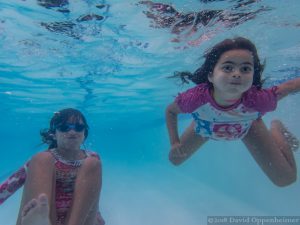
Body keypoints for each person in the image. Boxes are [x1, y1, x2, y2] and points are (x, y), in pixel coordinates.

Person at [165, 37, 300, 187]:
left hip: (248, 127)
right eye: (228, 68)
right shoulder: (195, 98)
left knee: (286, 179)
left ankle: (277, 128)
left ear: (252, 75)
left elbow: (291, 85)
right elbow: (171, 111)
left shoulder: (258, 99)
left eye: (245, 69)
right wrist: (174, 142)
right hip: (205, 125)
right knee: (175, 159)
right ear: (211, 75)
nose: (237, 74)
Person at [0, 108, 104, 225]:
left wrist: (97, 214)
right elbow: (8, 187)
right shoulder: (43, 161)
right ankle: (39, 220)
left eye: (78, 127)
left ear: (84, 133)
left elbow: (91, 194)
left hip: (77, 221)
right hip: (48, 217)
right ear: (54, 134)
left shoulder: (93, 158)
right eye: (64, 127)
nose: (72, 132)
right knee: (42, 159)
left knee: (93, 163)